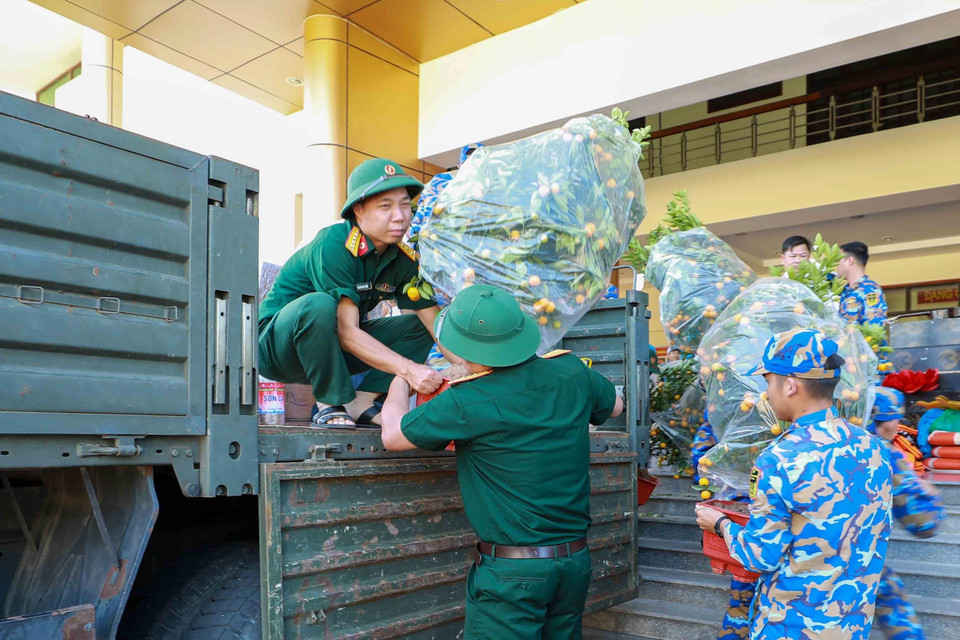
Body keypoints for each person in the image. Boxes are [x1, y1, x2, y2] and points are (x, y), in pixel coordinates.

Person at [380, 284, 623, 639]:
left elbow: (393, 436)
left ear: (463, 348)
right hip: (573, 564)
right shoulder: (571, 370)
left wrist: (400, 381)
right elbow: (615, 406)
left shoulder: (466, 400)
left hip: (513, 576)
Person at [695, 327, 893, 640]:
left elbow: (759, 556)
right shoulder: (873, 447)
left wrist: (719, 523)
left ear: (789, 385)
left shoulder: (780, 458)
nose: (766, 393)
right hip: (851, 624)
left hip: (790, 627)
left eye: (767, 381)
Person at [258, 158, 458, 427]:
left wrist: (471, 369)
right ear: (359, 211)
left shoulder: (402, 260)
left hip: (333, 350)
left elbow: (435, 324)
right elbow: (346, 331)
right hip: (278, 349)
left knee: (417, 325)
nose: (400, 216)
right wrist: (409, 370)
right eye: (385, 206)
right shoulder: (334, 246)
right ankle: (329, 402)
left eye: (404, 205)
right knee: (319, 305)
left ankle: (361, 400)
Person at [868, 387, 945, 640]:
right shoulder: (884, 454)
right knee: (891, 597)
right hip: (854, 561)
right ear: (887, 419)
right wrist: (929, 493)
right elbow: (923, 523)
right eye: (896, 418)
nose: (898, 425)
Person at [837, 240, 892, 372]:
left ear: (849, 261)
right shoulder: (844, 292)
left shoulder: (870, 290)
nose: (836, 265)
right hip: (849, 364)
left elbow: (874, 331)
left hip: (867, 366)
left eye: (838, 260)